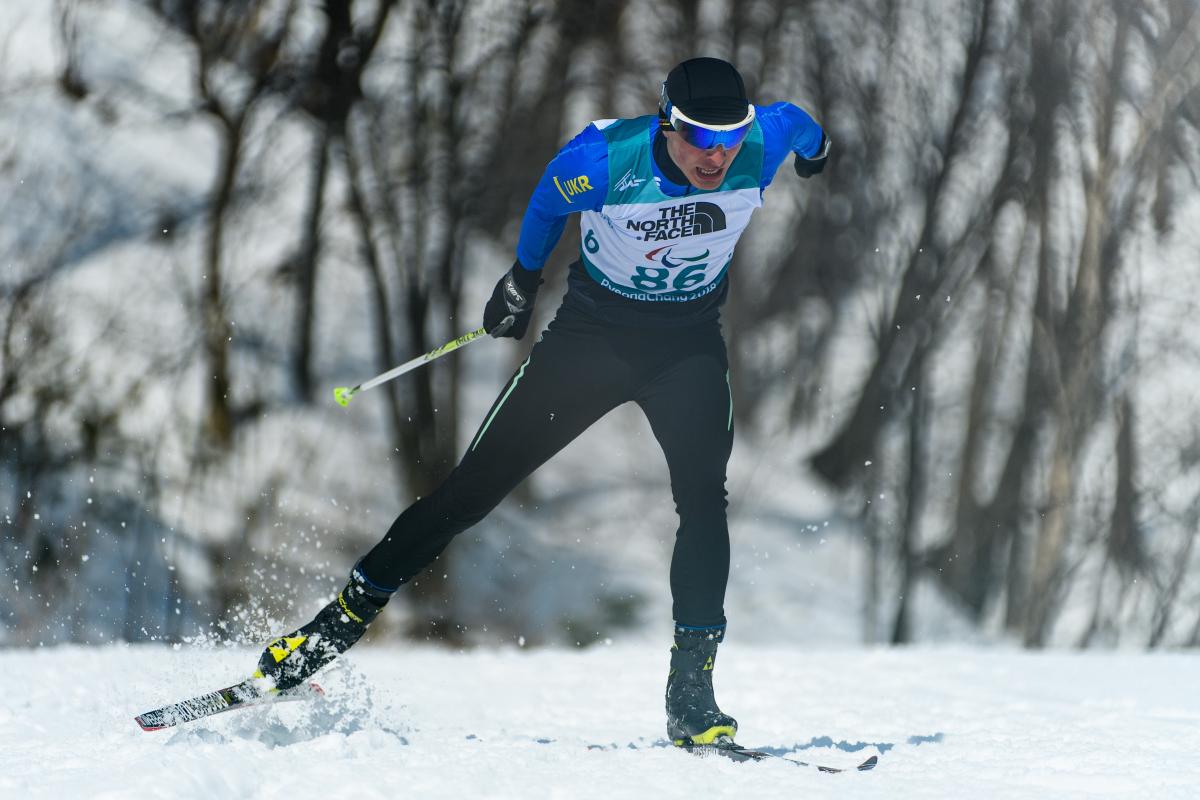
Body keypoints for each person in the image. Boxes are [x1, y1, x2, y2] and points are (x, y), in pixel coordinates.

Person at [253, 57, 829, 747]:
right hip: (593, 340)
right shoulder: (605, 158)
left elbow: (801, 125)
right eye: (701, 138)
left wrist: (818, 155)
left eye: (729, 138)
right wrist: (522, 280)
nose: (717, 155)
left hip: (687, 348)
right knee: (471, 493)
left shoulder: (762, 142)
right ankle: (330, 630)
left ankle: (692, 695)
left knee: (705, 499)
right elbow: (550, 200)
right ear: (667, 124)